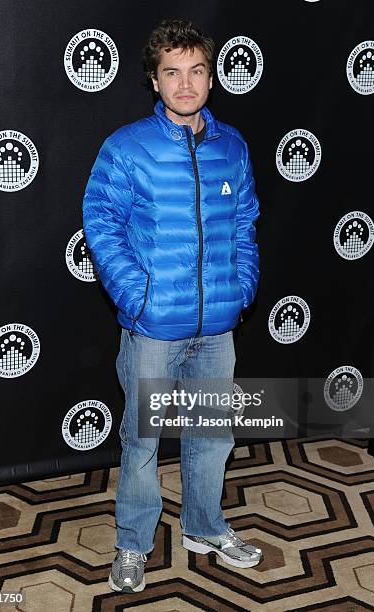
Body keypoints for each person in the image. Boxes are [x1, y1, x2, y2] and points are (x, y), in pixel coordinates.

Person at [82, 17, 262, 593]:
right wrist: (140, 296)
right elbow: (101, 225)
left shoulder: (233, 146)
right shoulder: (126, 147)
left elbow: (245, 225)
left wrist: (243, 285)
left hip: (216, 329)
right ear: (154, 81)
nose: (185, 84)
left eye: (196, 71)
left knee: (212, 434)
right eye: (172, 73)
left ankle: (204, 527)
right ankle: (133, 543)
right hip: (153, 327)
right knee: (142, 441)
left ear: (211, 78)